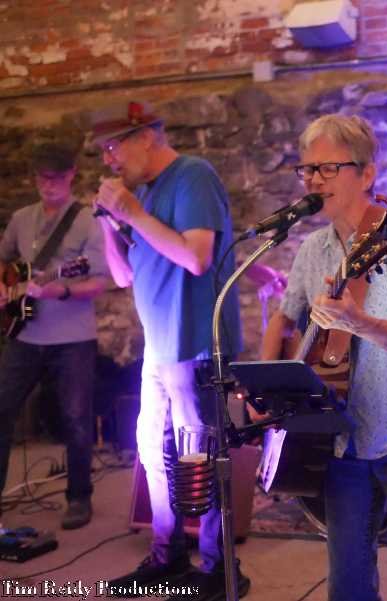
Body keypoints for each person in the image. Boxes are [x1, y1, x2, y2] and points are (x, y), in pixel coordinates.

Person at [260, 114, 387, 601]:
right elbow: (282, 320)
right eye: (307, 170)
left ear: (367, 174)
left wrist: (356, 321)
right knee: (347, 585)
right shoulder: (312, 249)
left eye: (327, 168)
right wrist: (268, 389)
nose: (314, 180)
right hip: (343, 438)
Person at [91, 101, 248, 601]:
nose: (109, 159)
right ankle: (168, 558)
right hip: (159, 349)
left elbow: (197, 259)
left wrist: (132, 213)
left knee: (201, 456)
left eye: (113, 146)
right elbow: (123, 276)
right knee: (153, 457)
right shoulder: (144, 193)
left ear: (146, 136)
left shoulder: (192, 176)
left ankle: (220, 569)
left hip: (195, 343)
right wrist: (109, 224)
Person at [0, 142, 111, 530]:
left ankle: (79, 497)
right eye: (41, 178)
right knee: (2, 409)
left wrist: (59, 289)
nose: (48, 185)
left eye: (56, 178)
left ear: (71, 176)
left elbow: (98, 281)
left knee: (77, 419)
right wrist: (4, 286)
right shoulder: (21, 219)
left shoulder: (87, 222)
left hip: (72, 338)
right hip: (23, 334)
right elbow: (4, 259)